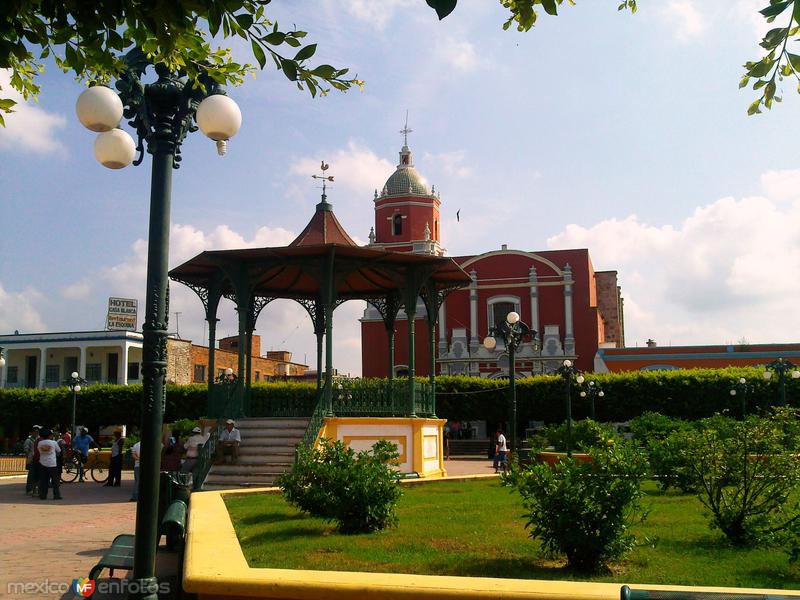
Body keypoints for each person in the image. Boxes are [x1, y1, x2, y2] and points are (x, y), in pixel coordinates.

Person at [37, 428, 62, 500]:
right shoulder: (53, 442)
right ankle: (56, 495)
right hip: (52, 464)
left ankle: (43, 495)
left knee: (44, 481)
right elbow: (59, 450)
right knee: (55, 481)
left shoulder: (40, 443)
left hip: (42, 463)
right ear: (50, 436)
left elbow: (40, 451)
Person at [23, 425, 41, 496]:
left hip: (36, 459)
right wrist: (29, 457)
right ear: (32, 432)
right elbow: (26, 450)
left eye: (37, 432)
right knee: (31, 475)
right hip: (31, 460)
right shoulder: (28, 440)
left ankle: (35, 489)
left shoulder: (38, 439)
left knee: (36, 475)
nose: (36, 433)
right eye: (35, 432)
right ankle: (29, 489)